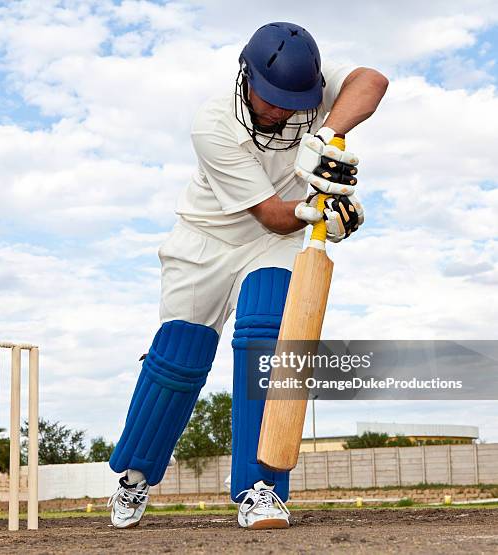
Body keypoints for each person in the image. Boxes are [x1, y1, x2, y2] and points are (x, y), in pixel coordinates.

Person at [107, 21, 388, 529]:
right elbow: (273, 213)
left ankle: (260, 489)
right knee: (179, 359)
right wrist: (318, 211)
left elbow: (372, 82)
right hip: (206, 242)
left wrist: (326, 135)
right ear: (245, 79)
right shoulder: (212, 124)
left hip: (271, 248)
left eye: (291, 101)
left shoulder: (314, 94)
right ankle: (134, 476)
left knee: (267, 340)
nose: (280, 111)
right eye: (270, 99)